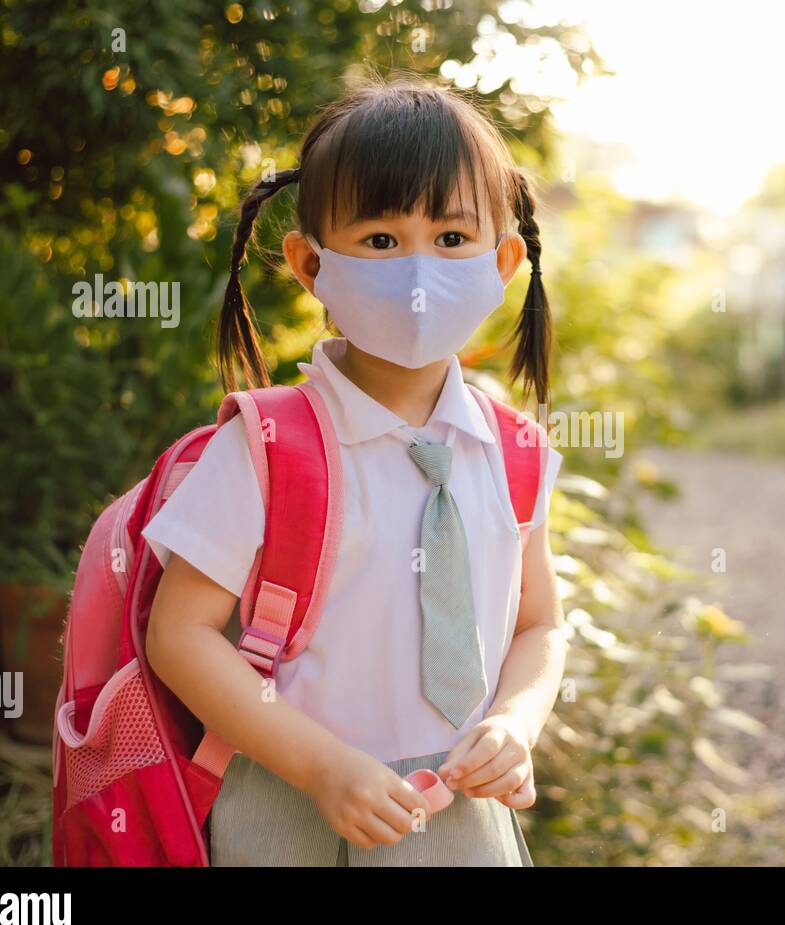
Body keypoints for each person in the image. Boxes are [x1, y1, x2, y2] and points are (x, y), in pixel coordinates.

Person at [141, 75, 566, 866]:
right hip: (291, 804)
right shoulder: (269, 447)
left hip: (464, 817)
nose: (416, 273)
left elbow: (539, 622)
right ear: (310, 264)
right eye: (379, 240)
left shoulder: (516, 453)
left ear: (502, 261)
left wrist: (515, 722)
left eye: (450, 239)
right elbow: (180, 634)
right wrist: (320, 766)